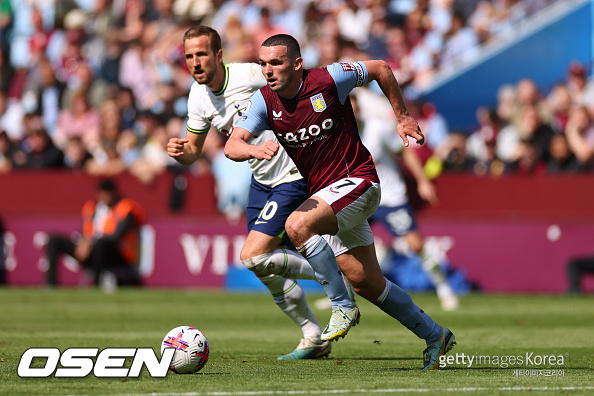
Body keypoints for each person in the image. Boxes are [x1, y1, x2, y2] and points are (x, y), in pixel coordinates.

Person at [225, 33, 456, 370]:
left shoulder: (329, 78)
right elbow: (233, 145)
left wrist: (402, 116)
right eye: (263, 64)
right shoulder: (263, 101)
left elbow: (380, 68)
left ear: (297, 64)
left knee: (296, 224)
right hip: (327, 197)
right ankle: (435, 335)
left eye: (275, 62)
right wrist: (254, 149)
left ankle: (340, 304)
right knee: (367, 282)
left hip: (359, 181)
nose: (268, 70)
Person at [166, 26, 333, 360]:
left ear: (218, 55)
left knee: (252, 256)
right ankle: (313, 335)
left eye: (201, 54)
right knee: (263, 268)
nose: (195, 63)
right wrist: (180, 151)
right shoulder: (198, 97)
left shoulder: (251, 75)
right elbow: (194, 151)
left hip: (292, 172)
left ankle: (330, 271)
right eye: (189, 56)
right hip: (260, 179)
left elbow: (298, 82)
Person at [353, 88, 459, 311]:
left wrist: (422, 181)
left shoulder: (378, 129)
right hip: (360, 200)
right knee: (341, 243)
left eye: (354, 108)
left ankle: (443, 288)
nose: (351, 113)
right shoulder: (339, 134)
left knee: (415, 244)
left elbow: (406, 152)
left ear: (360, 109)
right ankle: (342, 296)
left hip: (390, 198)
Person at [45, 179, 145, 289]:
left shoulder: (125, 208)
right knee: (54, 240)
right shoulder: (91, 208)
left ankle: (96, 285)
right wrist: (83, 243)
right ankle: (51, 284)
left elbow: (115, 236)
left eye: (107, 194)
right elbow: (83, 231)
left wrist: (91, 242)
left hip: (115, 254)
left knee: (100, 245)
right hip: (90, 252)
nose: (104, 198)